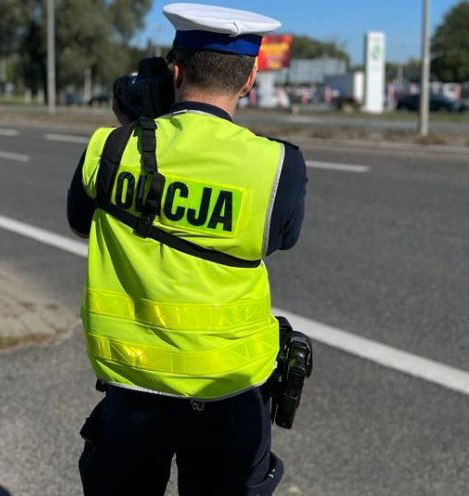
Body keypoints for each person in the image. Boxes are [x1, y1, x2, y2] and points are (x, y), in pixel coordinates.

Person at [66, 3, 307, 495]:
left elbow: (79, 221)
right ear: (249, 80)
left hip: (132, 389)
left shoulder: (110, 147)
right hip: (230, 392)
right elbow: (280, 238)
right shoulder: (279, 165)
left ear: (174, 71)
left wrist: (131, 125)